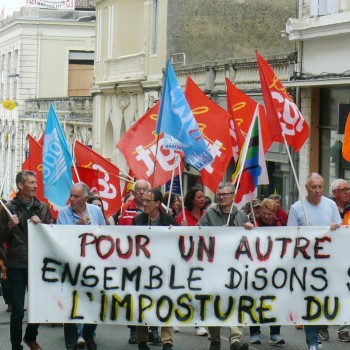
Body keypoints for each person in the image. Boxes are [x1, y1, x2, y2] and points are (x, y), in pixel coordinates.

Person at [0, 170, 54, 350]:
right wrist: (9, 225)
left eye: (36, 182)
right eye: (31, 182)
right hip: (16, 263)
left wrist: (43, 224)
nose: (35, 186)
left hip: (39, 263)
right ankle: (16, 345)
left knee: (40, 306)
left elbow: (54, 234)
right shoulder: (7, 208)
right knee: (17, 310)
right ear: (20, 186)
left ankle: (30, 336)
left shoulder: (43, 207)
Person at [288, 173, 341, 350]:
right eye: (313, 187)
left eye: (320, 187)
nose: (317, 191)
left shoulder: (331, 205)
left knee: (324, 301)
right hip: (306, 265)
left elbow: (341, 231)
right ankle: (312, 340)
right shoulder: (297, 208)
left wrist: (335, 227)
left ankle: (318, 331)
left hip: (328, 264)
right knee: (310, 301)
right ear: (306, 188)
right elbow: (288, 237)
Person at [198, 182, 251, 350]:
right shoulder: (209, 214)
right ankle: (215, 339)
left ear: (233, 196)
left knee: (236, 301)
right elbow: (199, 234)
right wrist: (218, 232)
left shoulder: (242, 216)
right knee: (215, 301)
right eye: (219, 195)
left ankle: (235, 338)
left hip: (236, 267)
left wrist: (252, 230)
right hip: (215, 266)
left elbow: (251, 242)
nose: (221, 198)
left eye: (225, 195)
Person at [57, 182, 106, 350]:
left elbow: (105, 236)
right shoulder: (63, 213)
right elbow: (59, 239)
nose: (71, 199)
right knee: (71, 304)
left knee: (93, 301)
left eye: (76, 196)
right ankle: (71, 342)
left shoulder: (96, 212)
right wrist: (77, 227)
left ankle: (88, 333)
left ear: (86, 198)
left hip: (93, 265)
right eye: (71, 195)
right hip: (71, 265)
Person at [112, 180, 161, 345]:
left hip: (156, 262)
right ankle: (135, 330)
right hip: (134, 260)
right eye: (138, 189)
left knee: (155, 296)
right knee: (135, 296)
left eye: (145, 189)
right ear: (133, 192)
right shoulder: (125, 209)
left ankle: (154, 330)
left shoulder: (162, 211)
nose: (142, 192)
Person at [132, 189, 176, 350]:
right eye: (142, 200)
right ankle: (142, 340)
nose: (143, 204)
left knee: (166, 303)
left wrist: (178, 231)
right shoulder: (138, 220)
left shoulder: (169, 220)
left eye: (147, 201)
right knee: (142, 303)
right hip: (144, 269)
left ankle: (167, 341)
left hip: (165, 269)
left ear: (157, 203)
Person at [249, 199, 285, 346]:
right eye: (264, 213)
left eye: (269, 213)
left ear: (274, 213)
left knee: (275, 301)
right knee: (255, 300)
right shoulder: (253, 223)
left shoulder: (281, 225)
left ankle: (275, 333)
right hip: (255, 270)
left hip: (275, 269)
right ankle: (255, 333)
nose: (266, 216)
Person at [176, 187, 208, 337]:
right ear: (192, 199)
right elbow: (174, 237)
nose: (202, 199)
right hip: (184, 258)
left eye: (203, 197)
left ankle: (198, 323)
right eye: (199, 197)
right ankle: (177, 317)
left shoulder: (206, 215)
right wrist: (180, 229)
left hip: (202, 258)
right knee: (182, 289)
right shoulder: (183, 215)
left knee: (199, 290)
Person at [329, 178, 350, 342]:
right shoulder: (326, 208)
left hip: (348, 259)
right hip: (329, 259)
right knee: (329, 292)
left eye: (348, 189)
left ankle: (344, 328)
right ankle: (321, 326)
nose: (347, 192)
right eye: (343, 189)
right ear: (335, 193)